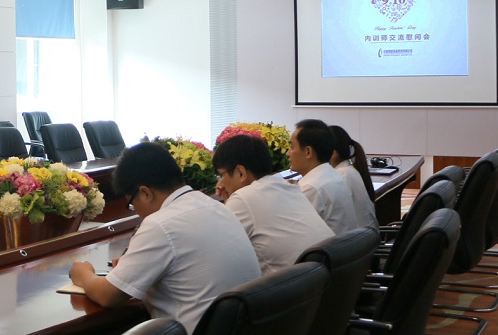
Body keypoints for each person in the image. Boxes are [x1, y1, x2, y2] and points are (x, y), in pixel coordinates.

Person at [69, 143, 260, 333]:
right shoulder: (216, 206)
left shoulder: (159, 224)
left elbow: (108, 295)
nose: (136, 212)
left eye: (132, 204)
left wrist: (84, 274)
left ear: (145, 193)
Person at [213, 134, 334, 274]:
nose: (221, 183)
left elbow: (218, 251)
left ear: (241, 172)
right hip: (325, 275)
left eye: (222, 175)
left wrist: (230, 203)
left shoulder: (242, 199)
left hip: (294, 283)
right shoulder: (287, 187)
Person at [288, 119, 359, 235]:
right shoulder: (332, 174)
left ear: (308, 152)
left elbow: (294, 233)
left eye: (291, 147)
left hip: (329, 246)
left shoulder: (311, 187)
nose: (288, 153)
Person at [329, 125, 378, 232]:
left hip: (359, 239)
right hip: (364, 237)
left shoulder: (341, 175)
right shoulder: (348, 170)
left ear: (333, 154)